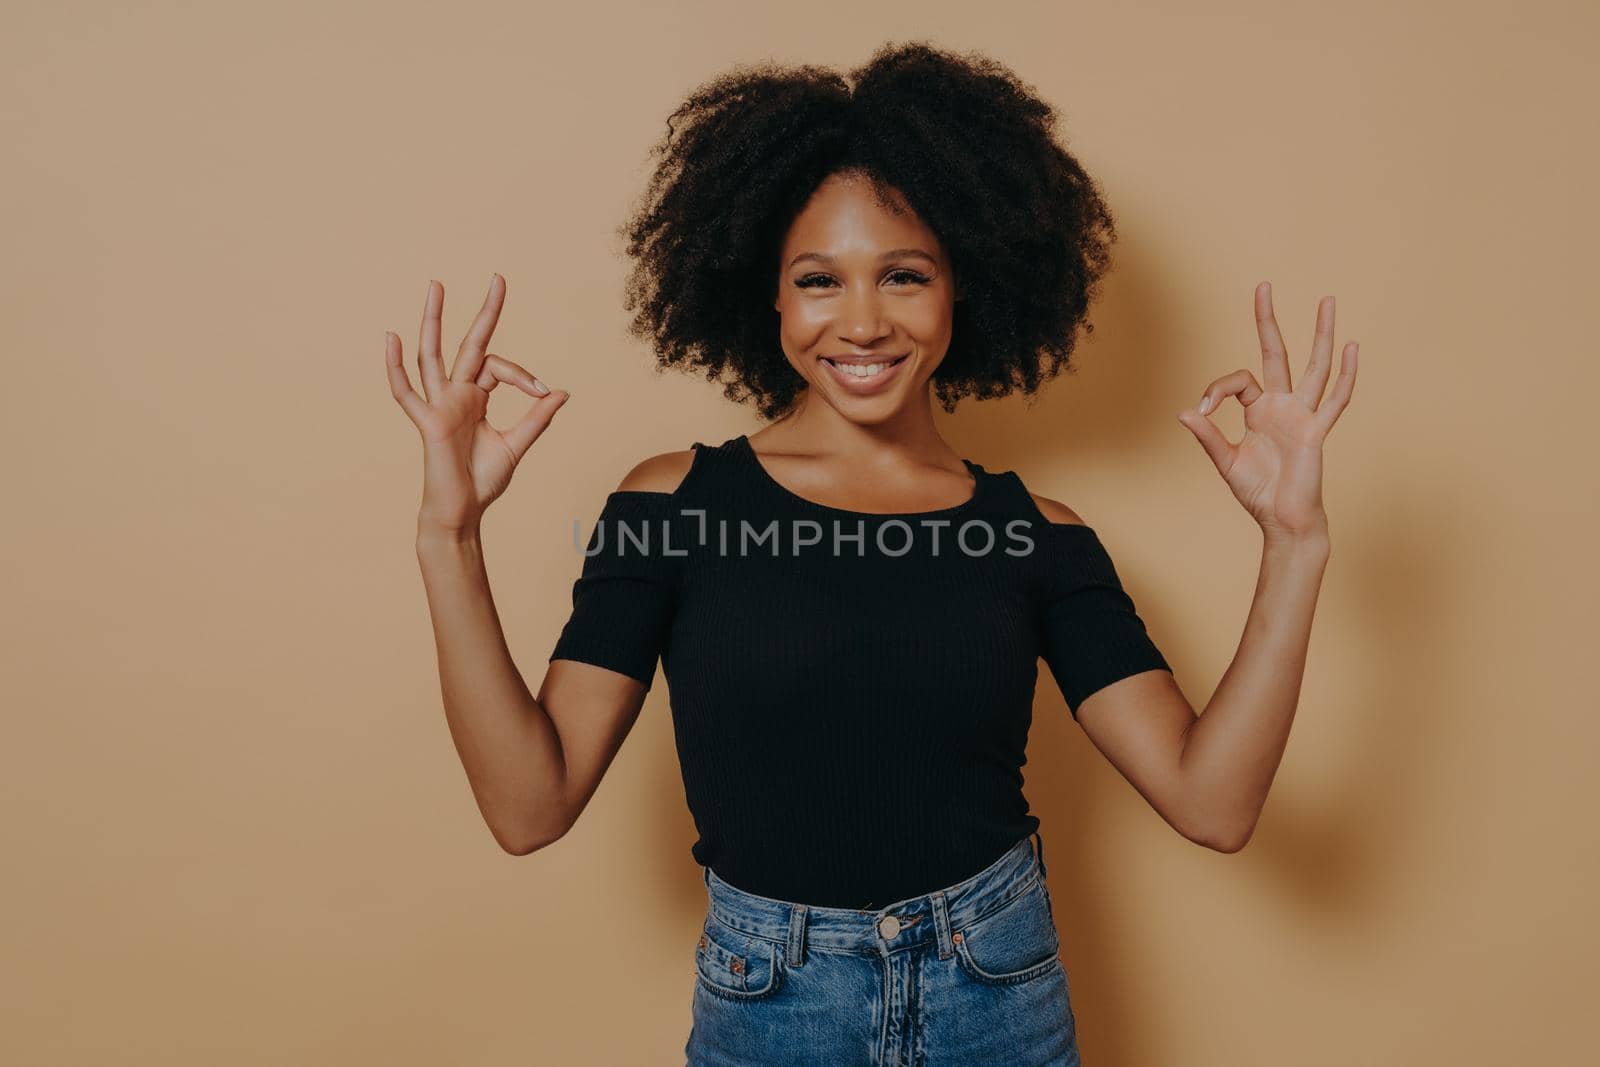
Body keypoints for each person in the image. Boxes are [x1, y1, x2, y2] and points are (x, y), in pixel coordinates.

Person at [385, 41, 1357, 1067]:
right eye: (818, 279)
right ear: (765, 292)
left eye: (904, 275)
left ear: (960, 289)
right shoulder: (675, 503)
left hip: (998, 994)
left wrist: (1294, 543)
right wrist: (447, 532)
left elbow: (1213, 802)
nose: (861, 319)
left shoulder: (1039, 534)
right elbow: (528, 806)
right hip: (771, 1003)